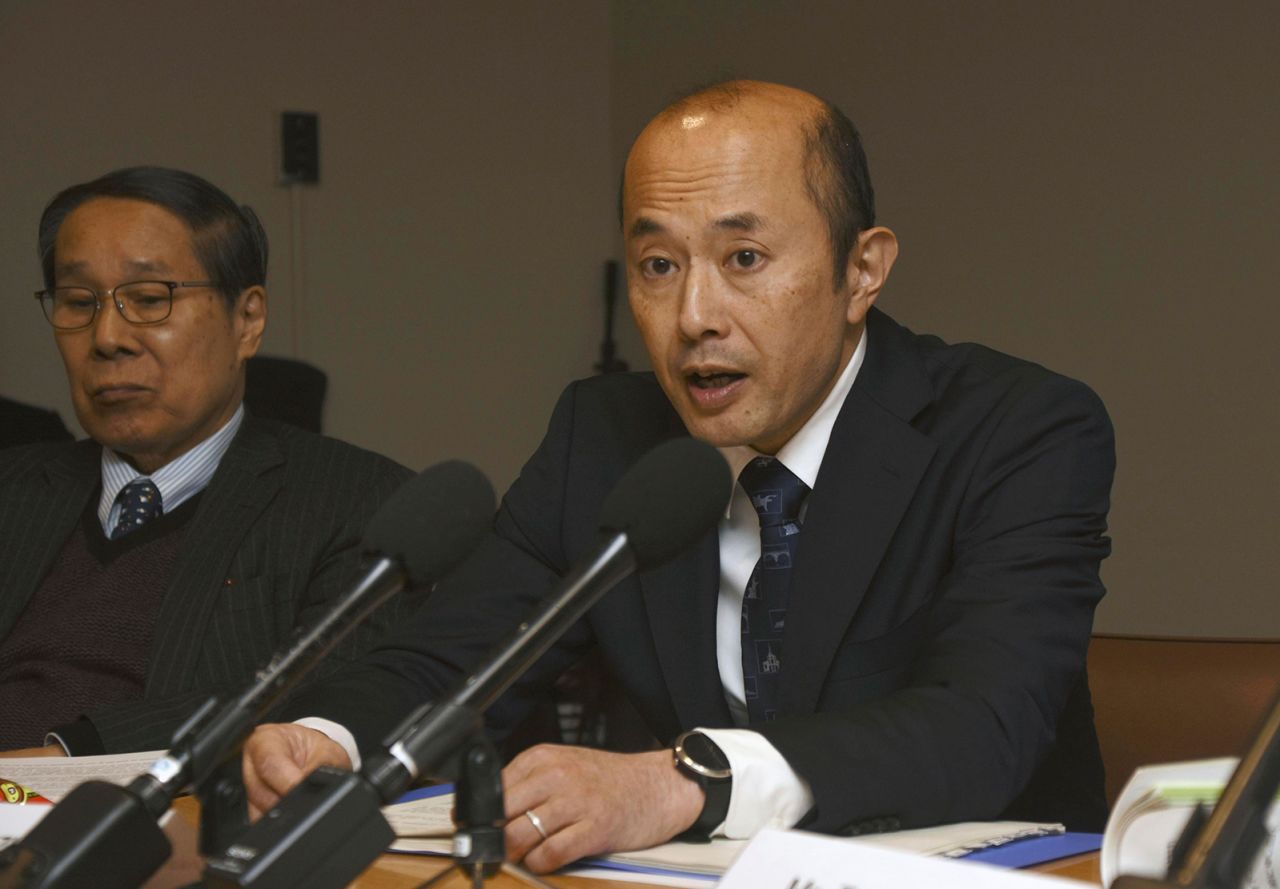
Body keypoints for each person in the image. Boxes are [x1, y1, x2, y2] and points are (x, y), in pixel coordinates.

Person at [243, 81, 1116, 872]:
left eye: (744, 260)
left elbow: (983, 722)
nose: (695, 318)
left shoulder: (1018, 429)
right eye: (660, 266)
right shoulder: (605, 437)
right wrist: (330, 741)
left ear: (863, 270)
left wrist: (684, 780)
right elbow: (458, 664)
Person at [0, 167, 414, 756]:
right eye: (77, 302)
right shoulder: (13, 490)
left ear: (247, 320)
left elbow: (325, 694)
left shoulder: (358, 502)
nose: (107, 336)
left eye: (148, 299)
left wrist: (54, 763)